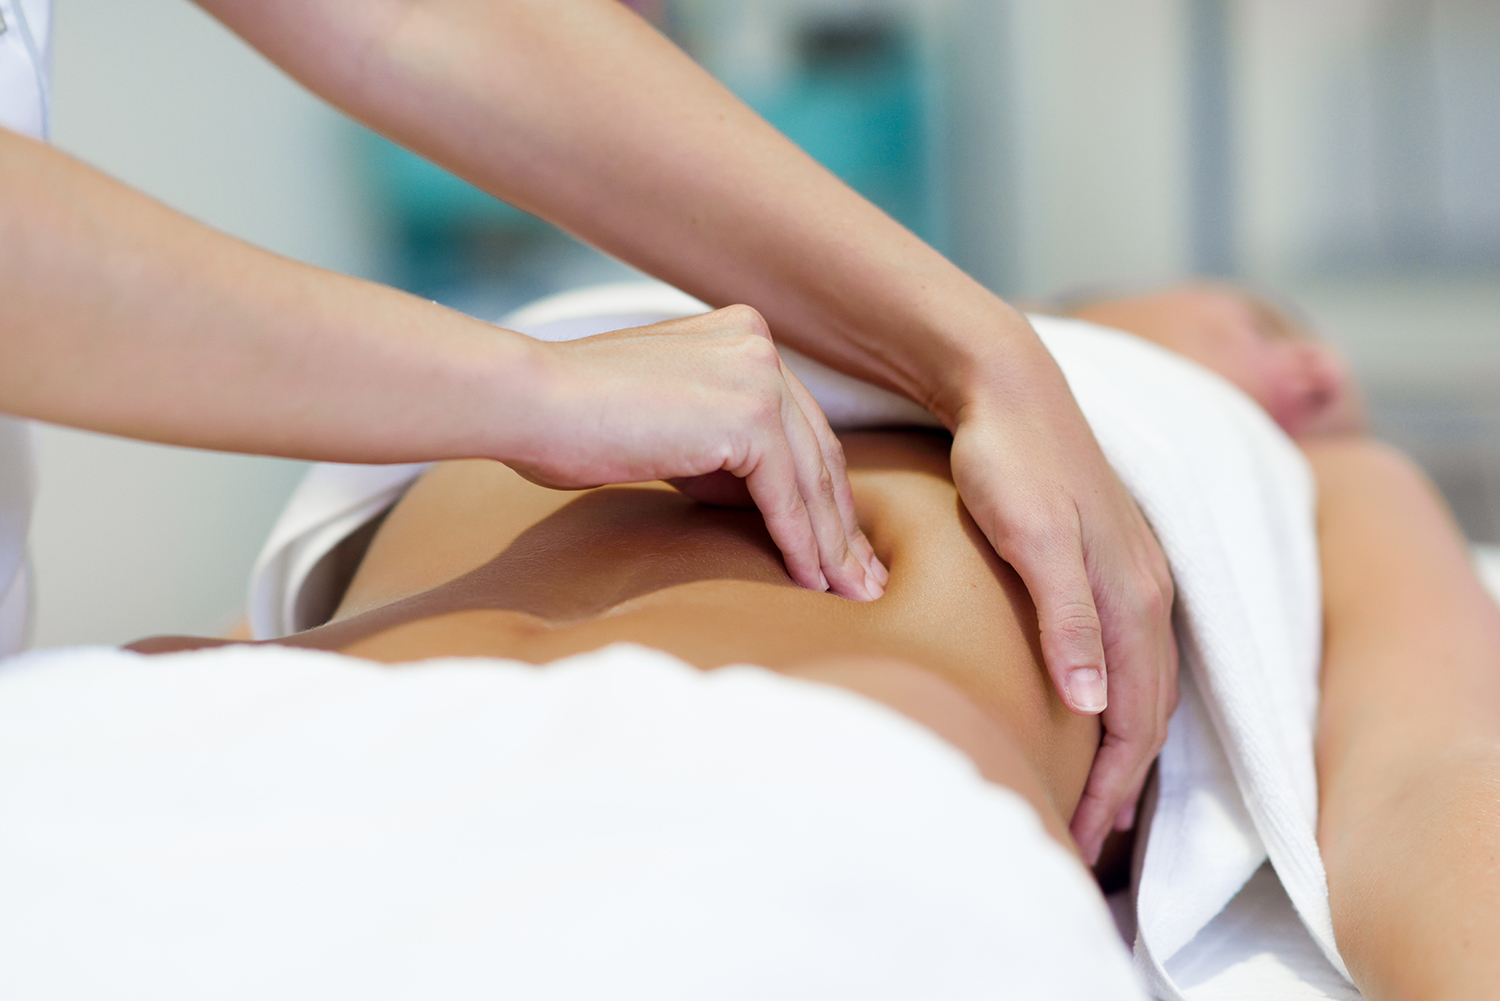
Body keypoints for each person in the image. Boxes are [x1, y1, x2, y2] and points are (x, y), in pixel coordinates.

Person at [0, 0, 1172, 857]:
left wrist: (989, 350)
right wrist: (537, 390)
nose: (1305, 362)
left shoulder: (1178, 447)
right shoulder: (558, 377)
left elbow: (425, 22)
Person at [133, 281, 1500, 998]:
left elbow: (1428, 772)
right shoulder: (700, 302)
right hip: (244, 750)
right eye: (1261, 320)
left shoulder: (1294, 472)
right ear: (1098, 297)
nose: (1324, 377)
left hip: (773, 812)